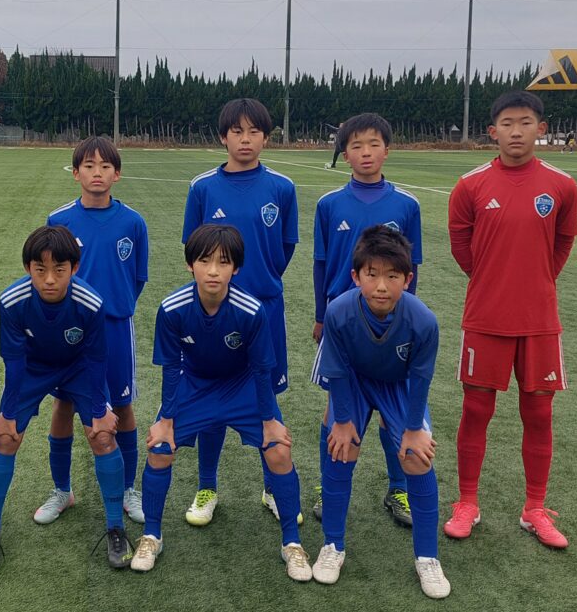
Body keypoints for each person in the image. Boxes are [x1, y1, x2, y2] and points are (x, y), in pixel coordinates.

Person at [130, 224, 309, 582]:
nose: (213, 271)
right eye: (204, 261)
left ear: (236, 268)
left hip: (242, 385)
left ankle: (292, 543)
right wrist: (166, 418)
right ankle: (151, 536)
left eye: (223, 262)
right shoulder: (172, 309)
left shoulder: (251, 310)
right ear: (190, 264)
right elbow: (171, 367)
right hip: (195, 384)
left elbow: (261, 370)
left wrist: (270, 420)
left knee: (278, 449)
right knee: (159, 448)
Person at [444, 91, 577, 549]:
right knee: (476, 410)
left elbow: (562, 243)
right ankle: (467, 502)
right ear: (492, 131)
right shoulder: (470, 186)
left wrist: (536, 281)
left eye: (525, 123)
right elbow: (462, 247)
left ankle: (534, 508)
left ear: (541, 129)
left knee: (538, 412)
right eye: (507, 123)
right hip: (486, 316)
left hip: (540, 320)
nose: (516, 131)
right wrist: (492, 280)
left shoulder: (562, 186)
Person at [0, 225, 131, 570]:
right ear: (27, 268)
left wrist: (99, 410)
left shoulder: (91, 303)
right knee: (6, 436)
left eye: (59, 270)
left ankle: (115, 529)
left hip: (79, 367)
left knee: (103, 435)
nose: (49, 279)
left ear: (74, 268)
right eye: (40, 269)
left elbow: (96, 359)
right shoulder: (12, 301)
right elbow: (14, 361)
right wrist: (8, 412)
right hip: (33, 369)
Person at [311, 225, 449, 599]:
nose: (382, 286)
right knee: (341, 448)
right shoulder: (339, 312)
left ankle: (427, 557)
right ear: (356, 277)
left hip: (397, 384)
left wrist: (414, 428)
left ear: (408, 279)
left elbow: (420, 377)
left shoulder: (423, 321)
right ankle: (332, 545)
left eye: (393, 276)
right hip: (354, 381)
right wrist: (341, 422)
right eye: (372, 275)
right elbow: (337, 371)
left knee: (416, 456)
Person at [181, 98, 299, 526]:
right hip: (215, 312)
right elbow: (193, 248)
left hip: (264, 309)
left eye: (254, 132)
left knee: (266, 397)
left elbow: (285, 247)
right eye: (237, 131)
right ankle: (207, 487)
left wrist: (260, 281)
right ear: (223, 137)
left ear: (266, 137)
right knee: (212, 394)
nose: (245, 139)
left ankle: (272, 487)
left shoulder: (282, 188)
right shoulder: (203, 187)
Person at [311, 112, 422, 528]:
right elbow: (321, 263)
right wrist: (320, 316)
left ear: (387, 150)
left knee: (393, 407)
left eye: (373, 144)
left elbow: (412, 269)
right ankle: (328, 483)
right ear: (345, 154)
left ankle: (398, 489)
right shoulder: (329, 204)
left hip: (392, 325)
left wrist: (406, 320)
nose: (365, 152)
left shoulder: (406, 204)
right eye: (356, 145)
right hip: (342, 326)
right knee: (335, 410)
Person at [37, 136, 148, 526]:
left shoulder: (133, 222)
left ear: (117, 174)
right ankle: (62, 490)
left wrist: (115, 305)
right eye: (88, 166)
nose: (96, 173)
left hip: (115, 326)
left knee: (122, 405)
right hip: (69, 329)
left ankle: (129, 489)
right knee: (63, 404)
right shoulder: (60, 220)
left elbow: (138, 277)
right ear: (75, 173)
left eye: (105, 166)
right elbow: (48, 275)